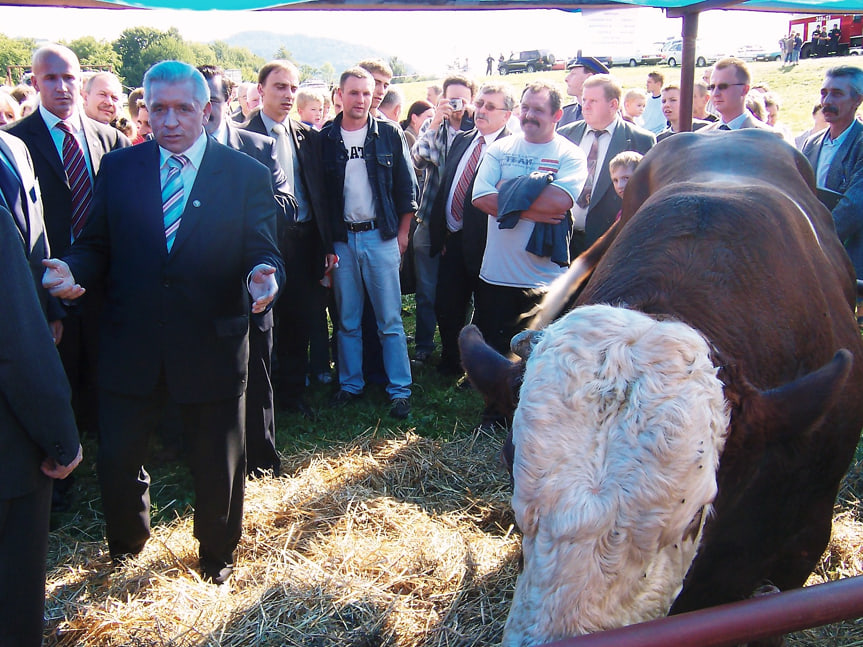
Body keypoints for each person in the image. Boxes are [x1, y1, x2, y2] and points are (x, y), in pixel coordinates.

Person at [41, 60, 284, 585]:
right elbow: (96, 244)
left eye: (182, 108)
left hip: (211, 343)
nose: (170, 121)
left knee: (218, 465)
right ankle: (127, 548)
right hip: (132, 342)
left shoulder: (245, 174)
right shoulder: (121, 168)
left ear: (207, 109)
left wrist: (265, 277)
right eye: (158, 109)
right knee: (119, 460)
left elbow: (261, 249)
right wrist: (72, 267)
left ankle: (217, 559)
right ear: (145, 109)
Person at [5, 44, 129, 470]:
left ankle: (112, 462)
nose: (61, 87)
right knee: (59, 380)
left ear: (81, 79)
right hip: (47, 285)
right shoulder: (17, 143)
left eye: (69, 77)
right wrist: (50, 301)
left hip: (104, 285)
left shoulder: (111, 139)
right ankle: (61, 467)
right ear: (35, 82)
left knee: (108, 377)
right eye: (51, 78)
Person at [199, 64, 297, 476]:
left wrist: (236, 203)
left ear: (228, 100)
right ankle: (204, 454)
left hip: (251, 278)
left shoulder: (258, 147)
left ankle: (260, 457)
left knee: (257, 368)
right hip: (194, 281)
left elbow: (287, 207)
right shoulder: (167, 153)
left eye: (213, 102)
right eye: (195, 104)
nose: (204, 113)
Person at [321, 66, 417, 420]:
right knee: (347, 320)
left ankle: (400, 390)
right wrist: (328, 246)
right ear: (339, 95)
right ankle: (350, 384)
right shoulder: (326, 138)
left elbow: (408, 190)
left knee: (390, 319)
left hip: (380, 237)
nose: (360, 99)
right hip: (344, 239)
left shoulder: (389, 134)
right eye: (353, 93)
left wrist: (403, 235)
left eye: (366, 92)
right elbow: (322, 197)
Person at [471, 79, 587, 359]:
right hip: (496, 275)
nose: (529, 115)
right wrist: (534, 208)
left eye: (538, 109)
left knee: (538, 361)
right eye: (525, 108)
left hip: (544, 281)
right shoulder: (500, 149)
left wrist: (505, 192)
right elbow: (480, 197)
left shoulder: (570, 154)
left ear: (557, 115)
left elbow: (559, 202)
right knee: (493, 358)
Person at [245, 60, 334, 418]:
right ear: (261, 89)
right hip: (263, 243)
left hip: (305, 240)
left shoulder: (307, 137)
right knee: (263, 322)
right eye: (280, 86)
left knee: (300, 321)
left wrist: (327, 245)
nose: (287, 94)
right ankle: (260, 400)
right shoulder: (241, 136)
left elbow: (322, 195)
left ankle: (293, 396)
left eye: (293, 88)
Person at [427, 82, 514, 377]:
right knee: (447, 305)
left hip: (490, 243)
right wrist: (440, 233)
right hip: (452, 240)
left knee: (487, 310)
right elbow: (445, 186)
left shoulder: (511, 149)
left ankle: (483, 368)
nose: (481, 111)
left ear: (507, 114)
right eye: (480, 104)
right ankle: (453, 361)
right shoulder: (464, 139)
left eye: (491, 107)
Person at [411, 74, 477, 365]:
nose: (456, 104)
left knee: (465, 291)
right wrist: (436, 122)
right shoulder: (432, 127)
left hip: (467, 223)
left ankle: (462, 348)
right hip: (429, 216)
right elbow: (418, 159)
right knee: (426, 289)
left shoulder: (478, 128)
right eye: (451, 98)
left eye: (462, 98)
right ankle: (424, 346)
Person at [558, 74, 655, 256]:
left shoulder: (640, 140)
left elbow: (646, 194)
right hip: (562, 240)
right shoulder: (565, 135)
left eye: (593, 101)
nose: (585, 106)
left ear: (613, 104)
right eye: (584, 99)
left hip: (608, 244)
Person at [802, 66, 863, 292]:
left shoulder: (860, 143)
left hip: (850, 258)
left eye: (837, 93)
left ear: (857, 100)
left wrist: (814, 240)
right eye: (824, 92)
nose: (827, 100)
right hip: (813, 258)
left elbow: (854, 206)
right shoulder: (812, 143)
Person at [700, 58, 776, 132]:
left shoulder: (768, 139)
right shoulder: (701, 137)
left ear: (744, 90)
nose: (715, 93)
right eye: (712, 87)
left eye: (723, 87)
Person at [557, 55, 609, 129]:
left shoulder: (606, 114)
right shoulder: (565, 113)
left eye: (573, 74)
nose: (566, 79)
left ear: (589, 78)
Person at [640, 70, 667, 135]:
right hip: (644, 133)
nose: (647, 84)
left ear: (658, 84)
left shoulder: (664, 101)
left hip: (658, 135)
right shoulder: (645, 99)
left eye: (649, 82)